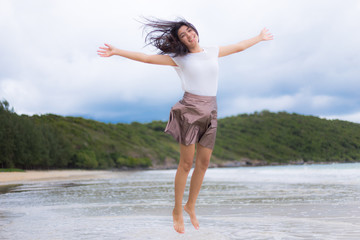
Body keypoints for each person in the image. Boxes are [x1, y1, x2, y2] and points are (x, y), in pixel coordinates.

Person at [97, 17, 273, 234]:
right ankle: (177, 210)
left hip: (211, 110)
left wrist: (259, 37)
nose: (189, 36)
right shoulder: (179, 58)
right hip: (189, 110)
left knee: (204, 163)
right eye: (183, 35)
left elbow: (238, 47)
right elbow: (146, 59)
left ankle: (190, 206)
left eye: (189, 31)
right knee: (186, 163)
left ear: (195, 31)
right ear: (180, 41)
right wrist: (117, 51)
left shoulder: (212, 51)